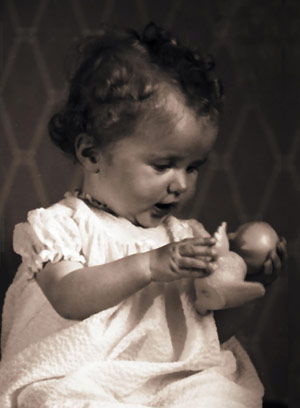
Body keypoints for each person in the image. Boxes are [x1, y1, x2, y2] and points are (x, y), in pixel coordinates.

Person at [0, 22, 286, 407]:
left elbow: (206, 336)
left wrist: (248, 288)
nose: (181, 184)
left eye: (192, 166)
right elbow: (67, 298)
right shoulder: (62, 227)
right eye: (164, 165)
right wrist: (147, 265)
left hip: (164, 380)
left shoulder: (184, 238)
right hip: (76, 375)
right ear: (91, 155)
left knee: (213, 392)